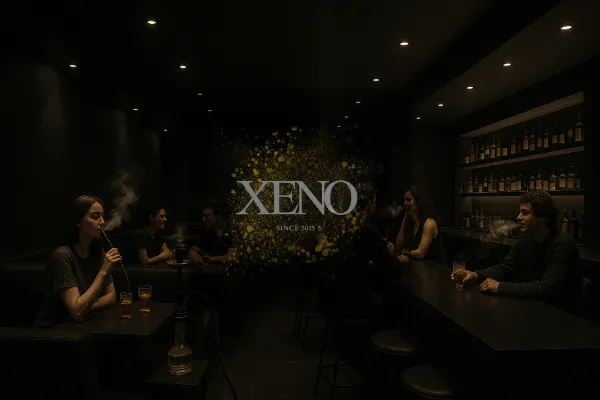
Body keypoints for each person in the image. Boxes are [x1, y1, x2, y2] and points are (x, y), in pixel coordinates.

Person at [454, 191, 583, 314]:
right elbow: (503, 269)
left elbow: (547, 288)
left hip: (561, 315)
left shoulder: (563, 244)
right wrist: (475, 275)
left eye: (525, 213)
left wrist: (500, 287)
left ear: (543, 217)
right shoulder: (526, 240)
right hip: (535, 308)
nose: (518, 217)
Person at [36, 195, 120, 327]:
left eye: (102, 216)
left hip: (84, 326)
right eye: (95, 216)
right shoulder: (63, 256)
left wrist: (87, 306)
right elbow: (77, 313)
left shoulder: (98, 253)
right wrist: (103, 271)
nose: (103, 221)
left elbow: (111, 296)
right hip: (56, 331)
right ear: (78, 222)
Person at [395, 185, 446, 265]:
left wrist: (406, 252)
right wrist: (405, 219)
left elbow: (421, 253)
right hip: (420, 267)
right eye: (404, 200)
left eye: (408, 200)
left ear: (418, 202)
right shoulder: (411, 222)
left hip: (436, 268)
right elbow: (398, 246)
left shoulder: (429, 223)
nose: (404, 203)